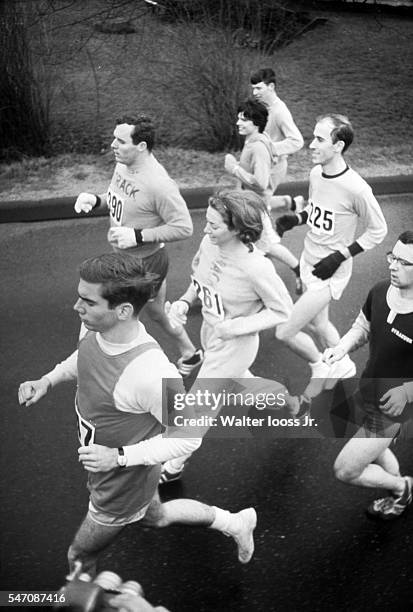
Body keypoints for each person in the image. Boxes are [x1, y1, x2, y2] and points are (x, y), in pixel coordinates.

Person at [18, 252, 257, 575]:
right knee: (155, 516)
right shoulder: (93, 327)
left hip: (120, 481)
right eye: (79, 298)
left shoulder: (152, 373)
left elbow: (187, 440)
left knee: (79, 556)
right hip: (117, 468)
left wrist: (117, 457)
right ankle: (236, 522)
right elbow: (83, 357)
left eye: (87, 302)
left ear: (123, 310)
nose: (77, 308)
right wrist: (49, 379)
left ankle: (48, 602)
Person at [160, 189, 311, 483]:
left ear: (238, 229)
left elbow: (283, 311)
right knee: (241, 383)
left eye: (214, 225)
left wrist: (234, 328)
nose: (206, 229)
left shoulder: (256, 267)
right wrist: (183, 303)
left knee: (199, 404)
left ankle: (173, 465)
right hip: (211, 333)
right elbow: (198, 281)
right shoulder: (209, 242)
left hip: (235, 344)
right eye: (207, 222)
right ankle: (293, 405)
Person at [73, 113, 202, 377]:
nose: (113, 145)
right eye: (114, 138)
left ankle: (117, 372)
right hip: (125, 258)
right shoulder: (122, 165)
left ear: (141, 146)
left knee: (111, 314)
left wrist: (138, 236)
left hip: (145, 264)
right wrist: (94, 200)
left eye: (120, 141)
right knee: (157, 314)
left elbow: (184, 227)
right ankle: (191, 353)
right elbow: (115, 198)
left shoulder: (159, 184)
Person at [275, 113, 388, 398]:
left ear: (338, 146)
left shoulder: (357, 188)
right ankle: (345, 366)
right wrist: (297, 219)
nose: (311, 144)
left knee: (285, 333)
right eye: (313, 137)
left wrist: (340, 256)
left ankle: (324, 367)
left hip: (330, 274)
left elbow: (378, 231)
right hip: (308, 261)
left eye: (319, 139)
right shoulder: (316, 174)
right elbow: (317, 211)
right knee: (321, 324)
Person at [325, 232, 413, 520]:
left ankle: (402, 487)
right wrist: (342, 347)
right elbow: (362, 328)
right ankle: (397, 489)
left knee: (346, 469)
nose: (393, 265)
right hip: (368, 388)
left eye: (404, 262)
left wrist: (406, 393)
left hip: (393, 408)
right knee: (374, 450)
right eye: (393, 257)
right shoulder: (379, 291)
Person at [224, 98, 303, 294]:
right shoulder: (254, 140)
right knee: (257, 245)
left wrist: (234, 169)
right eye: (238, 119)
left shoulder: (257, 146)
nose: (238, 123)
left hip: (256, 207)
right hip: (249, 204)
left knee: (267, 246)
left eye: (243, 120)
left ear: (256, 123)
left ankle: (298, 273)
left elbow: (261, 181)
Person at [250, 67, 305, 212]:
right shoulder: (262, 107)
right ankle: (291, 203)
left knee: (257, 206)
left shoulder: (280, 111)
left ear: (271, 86)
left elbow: (297, 141)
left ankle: (267, 234)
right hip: (260, 164)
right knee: (251, 200)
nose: (255, 93)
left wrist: (270, 149)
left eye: (258, 88)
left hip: (274, 167)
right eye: (253, 89)